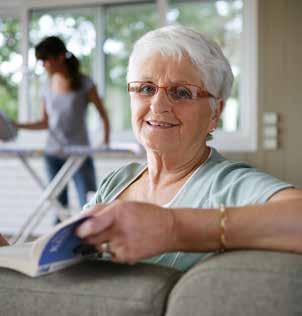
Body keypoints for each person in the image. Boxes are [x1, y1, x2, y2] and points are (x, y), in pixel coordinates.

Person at [72, 25, 302, 272]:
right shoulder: (117, 181)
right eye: (147, 88)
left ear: (216, 112)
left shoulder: (229, 185)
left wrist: (174, 228)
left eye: (181, 92)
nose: (158, 106)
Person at [13, 36, 110, 215]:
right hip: (53, 154)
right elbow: (45, 122)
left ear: (59, 58)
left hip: (80, 153)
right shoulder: (46, 86)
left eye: (45, 60)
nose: (43, 65)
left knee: (90, 204)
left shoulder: (85, 83)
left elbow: (103, 115)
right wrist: (15, 125)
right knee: (59, 207)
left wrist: (105, 142)